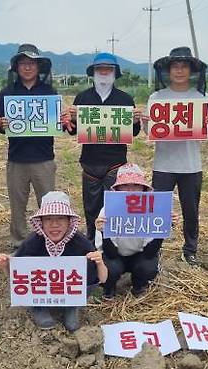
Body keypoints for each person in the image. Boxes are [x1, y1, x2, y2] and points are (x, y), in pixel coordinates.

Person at [139, 47, 208, 267]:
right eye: (175, 66)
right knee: (158, 209)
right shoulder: (157, 97)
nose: (180, 71)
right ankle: (154, 249)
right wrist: (145, 121)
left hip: (191, 164)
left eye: (184, 66)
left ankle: (190, 249)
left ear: (192, 70)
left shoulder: (202, 97)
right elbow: (151, 132)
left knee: (191, 210)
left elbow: (206, 134)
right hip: (163, 164)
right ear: (168, 70)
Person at [0, 191, 107, 332]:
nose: (55, 224)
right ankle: (38, 308)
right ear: (41, 222)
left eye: (61, 218)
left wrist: (100, 262)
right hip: (40, 294)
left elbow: (102, 278)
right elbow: (16, 276)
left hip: (70, 293)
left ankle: (71, 307)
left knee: (87, 279)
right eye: (48, 219)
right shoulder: (32, 242)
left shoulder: (81, 243)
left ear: (69, 221)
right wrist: (6, 265)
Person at [0, 44, 67, 249]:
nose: (27, 67)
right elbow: (1, 127)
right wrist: (1, 125)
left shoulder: (49, 92)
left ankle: (50, 240)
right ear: (16, 67)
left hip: (44, 158)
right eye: (23, 63)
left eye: (31, 63)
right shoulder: (7, 93)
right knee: (17, 204)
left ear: (38, 67)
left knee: (48, 204)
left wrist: (63, 119)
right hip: (16, 159)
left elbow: (57, 123)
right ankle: (18, 242)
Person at [64, 52, 143, 242]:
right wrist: (71, 118)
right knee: (91, 207)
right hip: (90, 162)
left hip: (115, 163)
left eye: (109, 69)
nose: (104, 73)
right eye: (100, 69)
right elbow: (72, 131)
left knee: (115, 207)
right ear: (93, 73)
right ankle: (92, 241)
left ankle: (114, 242)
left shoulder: (125, 100)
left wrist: (135, 120)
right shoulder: (82, 99)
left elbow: (134, 132)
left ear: (115, 73)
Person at [95, 163, 165, 298]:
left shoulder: (151, 211)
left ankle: (138, 286)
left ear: (143, 189)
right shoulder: (106, 211)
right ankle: (109, 289)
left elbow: (150, 253)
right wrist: (104, 232)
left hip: (140, 254)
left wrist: (161, 231)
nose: (130, 190)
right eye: (125, 186)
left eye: (136, 186)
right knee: (111, 268)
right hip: (115, 255)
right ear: (118, 189)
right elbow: (111, 254)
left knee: (147, 267)